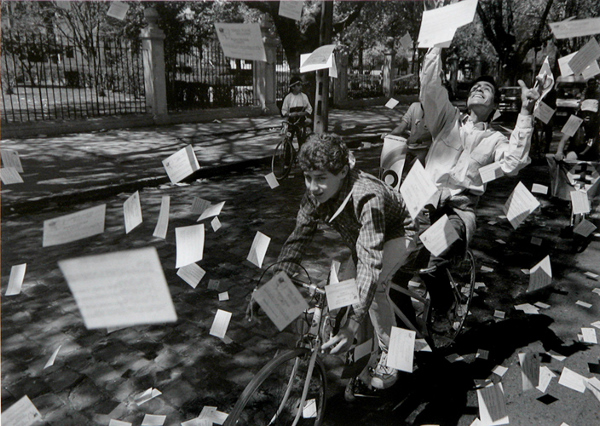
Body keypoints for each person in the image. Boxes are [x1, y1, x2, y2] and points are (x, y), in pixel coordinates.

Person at [274, 133, 416, 390]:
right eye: (308, 178)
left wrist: (352, 325)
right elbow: (297, 241)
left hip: (397, 235)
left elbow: (371, 264)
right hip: (362, 239)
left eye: (320, 179)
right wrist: (268, 291)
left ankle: (391, 353)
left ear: (341, 172)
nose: (312, 187)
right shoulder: (314, 196)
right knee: (341, 292)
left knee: (376, 290)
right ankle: (355, 354)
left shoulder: (367, 195)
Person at [417, 47, 541, 325]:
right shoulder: (446, 119)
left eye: (486, 89)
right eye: (474, 87)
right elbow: (430, 88)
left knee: (431, 266)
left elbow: (513, 162)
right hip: (421, 205)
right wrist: (437, 44)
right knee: (393, 271)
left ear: (494, 107)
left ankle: (446, 305)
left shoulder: (495, 139)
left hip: (456, 214)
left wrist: (526, 111)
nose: (478, 89)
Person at [387, 101, 433, 169]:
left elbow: (435, 133)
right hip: (409, 148)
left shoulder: (436, 111)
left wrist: (418, 138)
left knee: (413, 169)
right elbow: (401, 128)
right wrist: (389, 136)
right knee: (397, 167)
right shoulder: (414, 106)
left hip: (425, 149)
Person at [281, 75, 313, 148]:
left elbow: (309, 109)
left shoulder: (304, 96)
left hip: (301, 121)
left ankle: (301, 156)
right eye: (298, 85)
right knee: (288, 141)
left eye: (301, 85)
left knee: (301, 141)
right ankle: (288, 157)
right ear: (293, 87)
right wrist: (290, 114)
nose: (300, 87)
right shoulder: (288, 97)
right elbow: (284, 110)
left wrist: (302, 113)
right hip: (291, 121)